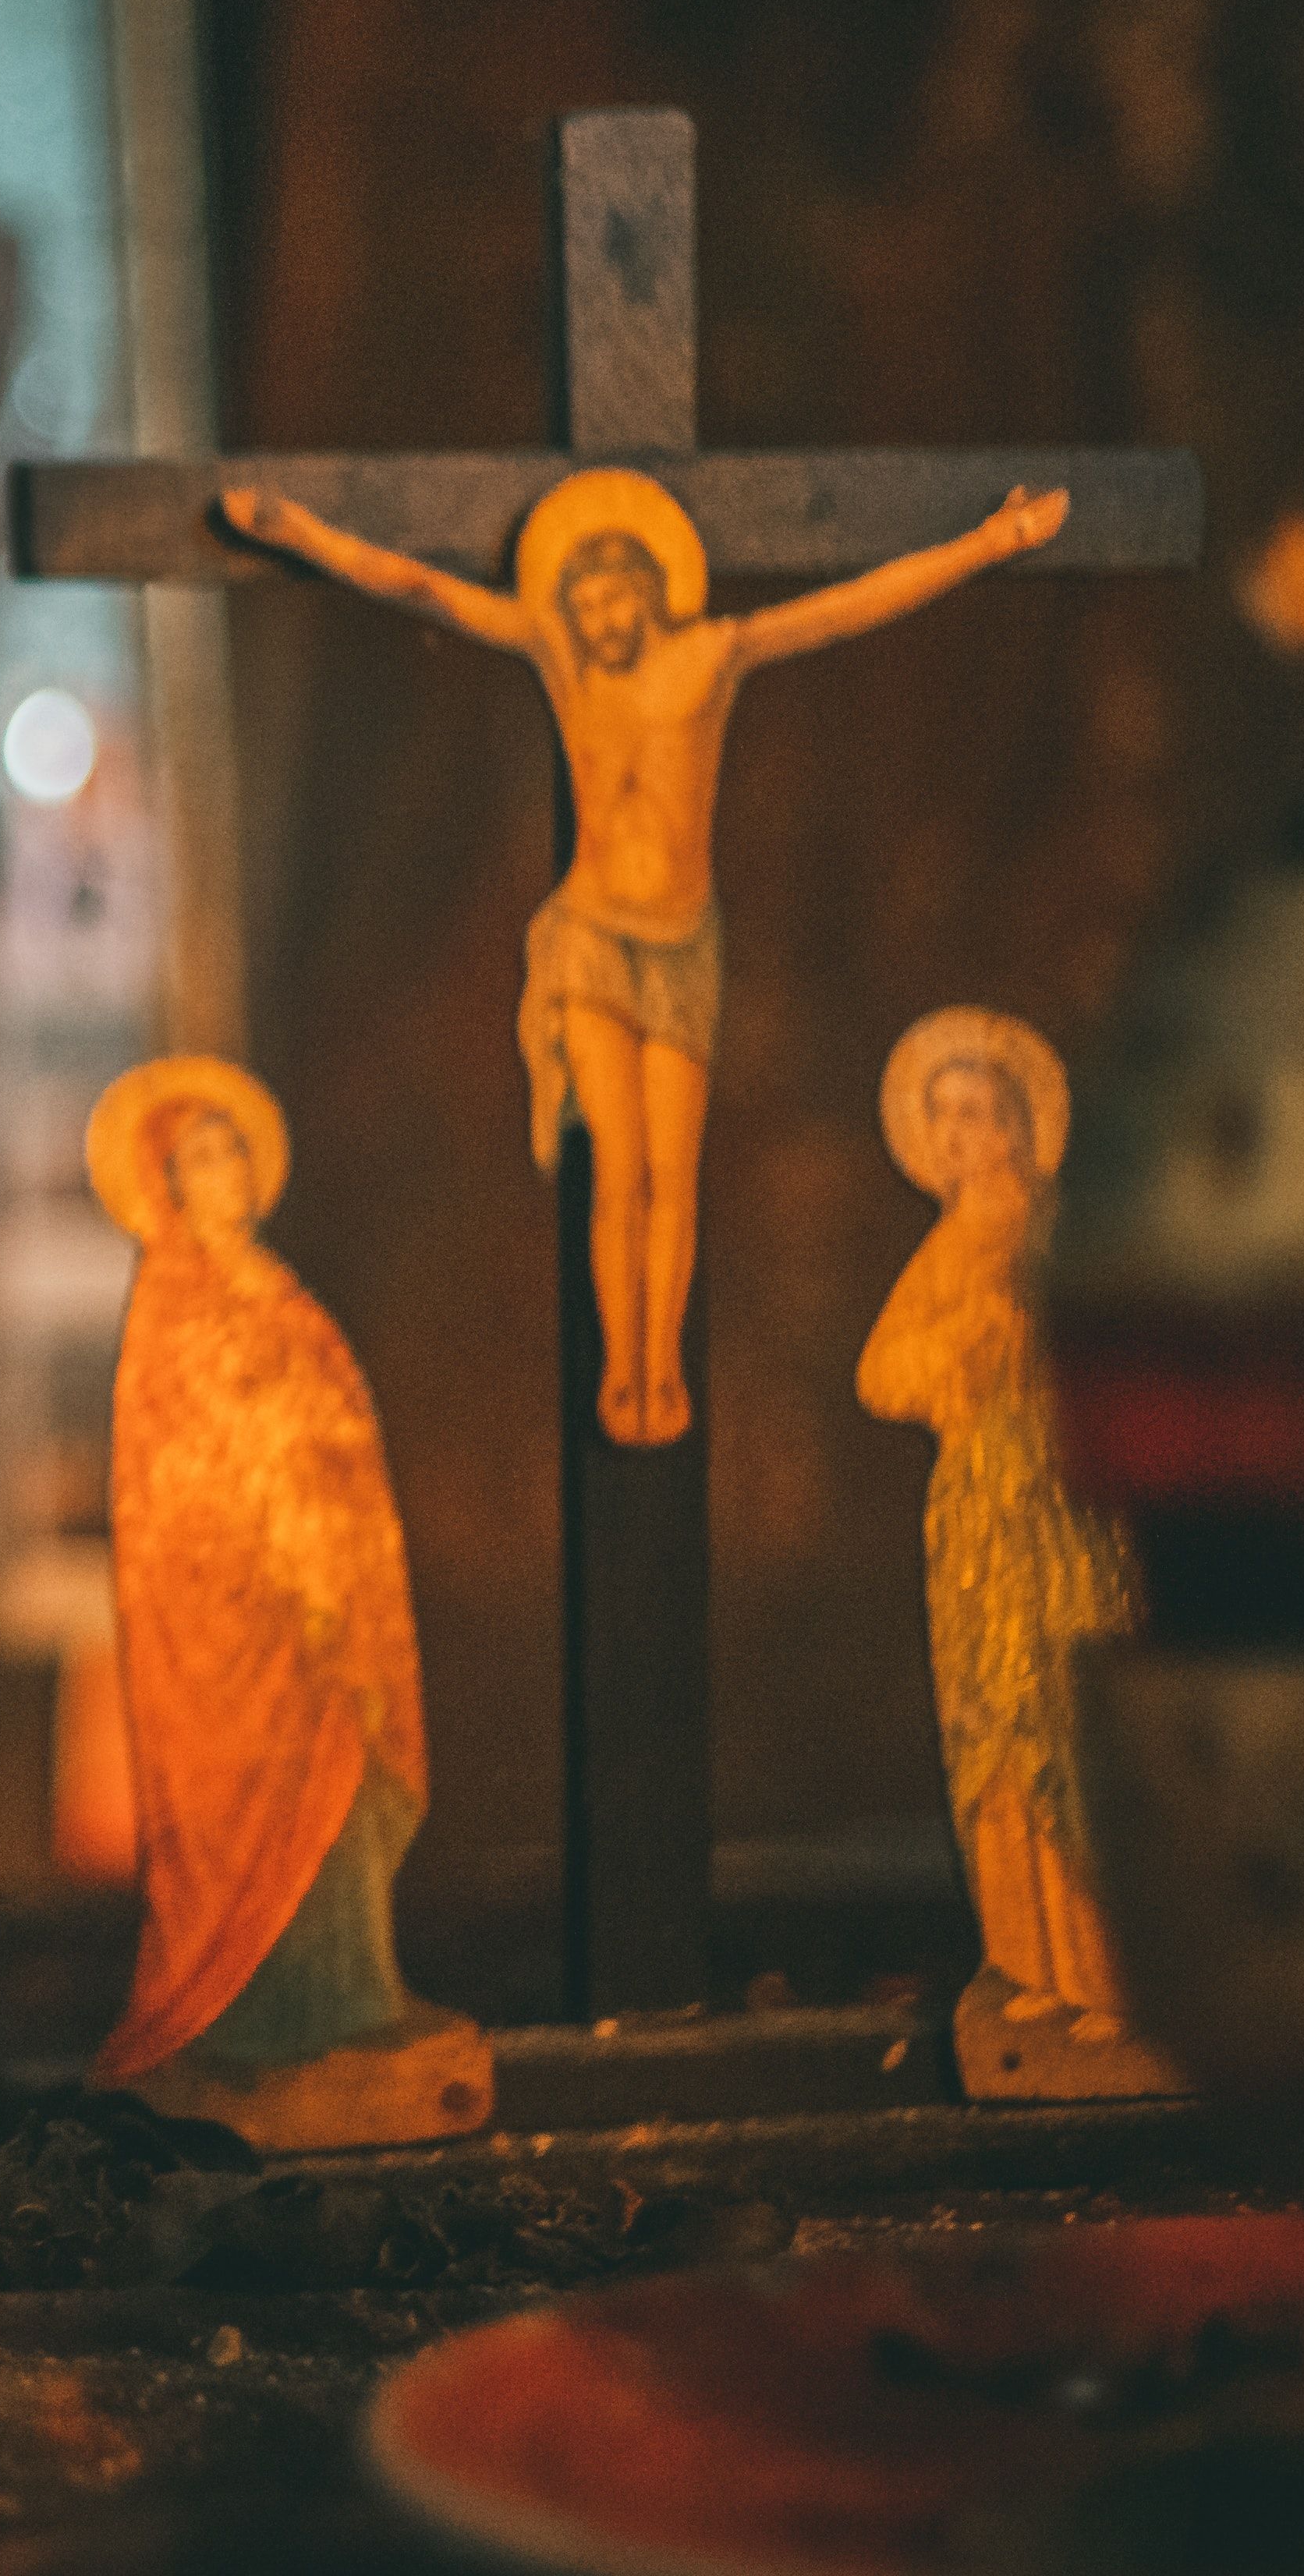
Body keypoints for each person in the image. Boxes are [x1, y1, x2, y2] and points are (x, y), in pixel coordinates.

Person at [220, 467, 1068, 1445]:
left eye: (615, 595)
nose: (601, 615)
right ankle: (624, 1368)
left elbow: (845, 608)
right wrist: (295, 530)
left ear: (653, 589)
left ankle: (663, 1364)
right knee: (617, 1167)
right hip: (590, 936)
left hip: (680, 942)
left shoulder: (712, 655)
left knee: (675, 1170)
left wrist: (990, 545)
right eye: (582, 602)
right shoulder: (559, 658)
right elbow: (420, 588)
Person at [83, 1057, 469, 2137]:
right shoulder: (176, 1311)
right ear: (164, 1181)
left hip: (329, 1591)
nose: (225, 1171)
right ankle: (258, 2027)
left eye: (234, 1149)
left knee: (349, 1797)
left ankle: (354, 2001)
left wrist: (331, 1554)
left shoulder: (277, 1291)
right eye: (199, 1156)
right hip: (243, 1616)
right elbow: (180, 1481)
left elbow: (328, 1433)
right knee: (270, 1806)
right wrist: (278, 1552)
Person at [857, 1008, 1146, 2047]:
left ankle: (1114, 1974)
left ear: (1019, 1127)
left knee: (1067, 1722)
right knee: (994, 1730)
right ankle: (1037, 1962)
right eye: (940, 1116)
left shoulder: (1051, 1228)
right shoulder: (951, 1243)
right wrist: (955, 1356)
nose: (955, 1136)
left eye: (976, 1113)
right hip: (976, 1519)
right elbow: (882, 1373)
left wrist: (1018, 1337)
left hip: (1060, 1509)